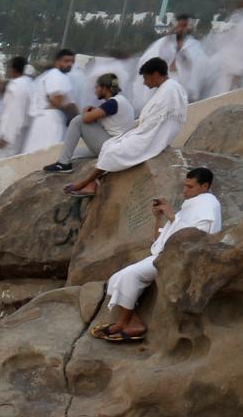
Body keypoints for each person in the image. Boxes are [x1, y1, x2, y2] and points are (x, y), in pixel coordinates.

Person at [93, 167, 224, 345]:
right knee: (117, 277)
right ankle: (134, 322)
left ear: (205, 186)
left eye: (190, 187)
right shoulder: (192, 204)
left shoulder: (209, 205)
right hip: (168, 255)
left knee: (130, 275)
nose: (185, 191)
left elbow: (198, 239)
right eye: (184, 186)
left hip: (182, 260)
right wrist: (160, 218)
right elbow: (160, 240)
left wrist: (172, 216)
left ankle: (123, 323)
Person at [66, 56, 189, 198]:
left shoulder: (169, 91)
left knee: (112, 150)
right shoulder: (169, 89)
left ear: (155, 74)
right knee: (109, 146)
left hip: (152, 136)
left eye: (146, 78)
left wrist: (140, 134)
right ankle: (92, 183)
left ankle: (85, 182)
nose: (144, 82)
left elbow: (161, 123)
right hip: (148, 132)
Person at [42, 68, 123, 174]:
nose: (95, 91)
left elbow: (85, 119)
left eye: (97, 87)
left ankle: (63, 164)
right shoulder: (119, 101)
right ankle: (63, 161)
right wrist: (94, 111)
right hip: (114, 144)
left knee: (78, 120)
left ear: (104, 88)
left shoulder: (112, 103)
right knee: (75, 153)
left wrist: (87, 112)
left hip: (112, 146)